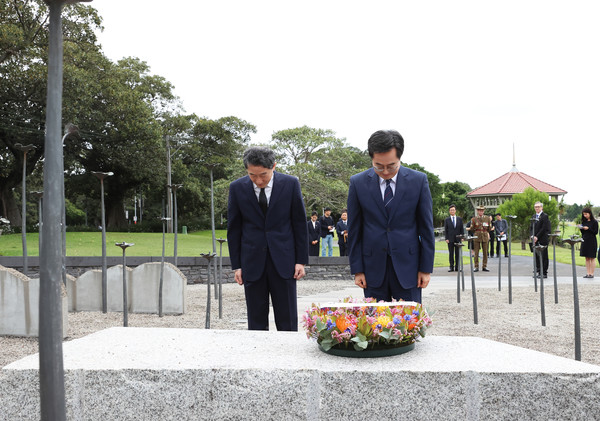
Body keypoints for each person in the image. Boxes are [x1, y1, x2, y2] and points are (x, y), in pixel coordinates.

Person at [347, 129, 434, 303]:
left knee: (409, 324)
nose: (385, 171)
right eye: (379, 166)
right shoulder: (358, 183)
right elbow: (354, 230)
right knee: (374, 324)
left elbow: (426, 228)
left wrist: (425, 269)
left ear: (399, 158)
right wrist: (357, 270)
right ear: (371, 158)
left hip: (409, 266)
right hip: (372, 267)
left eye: (391, 166)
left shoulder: (418, 181)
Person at [227, 146, 308, 331]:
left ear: (274, 166)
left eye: (263, 174)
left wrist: (300, 261)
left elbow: (299, 224)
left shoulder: (291, 184)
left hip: (284, 260)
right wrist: (237, 265)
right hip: (252, 261)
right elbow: (234, 229)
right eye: (252, 175)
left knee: (287, 317)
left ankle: (288, 355)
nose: (258, 180)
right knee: (255, 318)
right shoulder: (237, 188)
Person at [467, 205, 492, 272]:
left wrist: (486, 233)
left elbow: (489, 228)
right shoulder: (474, 219)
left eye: (482, 210)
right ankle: (476, 266)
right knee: (476, 253)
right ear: (477, 211)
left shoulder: (487, 218)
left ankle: (484, 266)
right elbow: (472, 229)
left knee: (485, 252)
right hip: (477, 236)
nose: (481, 212)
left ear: (483, 211)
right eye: (479, 210)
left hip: (485, 236)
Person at [532, 201, 551, 278]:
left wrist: (537, 236)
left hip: (542, 239)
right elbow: (531, 227)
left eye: (538, 207)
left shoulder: (544, 216)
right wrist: (532, 235)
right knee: (537, 256)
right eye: (535, 207)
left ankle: (544, 272)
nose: (537, 208)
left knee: (543, 256)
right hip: (535, 239)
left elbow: (544, 228)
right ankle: (539, 271)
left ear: (541, 208)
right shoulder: (534, 216)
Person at [444, 204, 464, 272]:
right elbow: (446, 230)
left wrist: (462, 236)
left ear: (455, 211)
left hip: (458, 238)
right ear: (449, 211)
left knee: (458, 253)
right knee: (451, 253)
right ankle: (451, 267)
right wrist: (446, 238)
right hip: (450, 239)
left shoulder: (459, 219)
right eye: (451, 210)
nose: (452, 211)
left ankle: (457, 267)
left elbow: (461, 229)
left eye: (453, 210)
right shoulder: (447, 220)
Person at [578, 207, 598, 278]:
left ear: (589, 213)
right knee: (586, 257)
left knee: (592, 257)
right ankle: (588, 273)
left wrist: (588, 229)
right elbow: (583, 233)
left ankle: (592, 273)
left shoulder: (594, 222)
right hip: (585, 240)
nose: (585, 215)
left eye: (586, 214)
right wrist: (581, 228)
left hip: (592, 241)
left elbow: (595, 232)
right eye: (584, 214)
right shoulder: (584, 222)